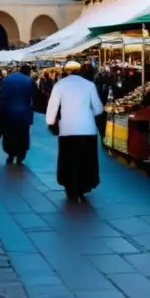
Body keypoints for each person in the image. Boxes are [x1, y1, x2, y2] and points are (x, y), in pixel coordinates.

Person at [46, 61, 105, 202]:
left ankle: (70, 185)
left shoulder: (59, 85)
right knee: (86, 159)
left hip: (67, 129)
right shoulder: (89, 85)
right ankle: (84, 186)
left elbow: (52, 106)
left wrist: (50, 121)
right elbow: (98, 109)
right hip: (87, 129)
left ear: (65, 71)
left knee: (68, 159)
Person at [0, 64, 35, 164]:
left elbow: (2, 97)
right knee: (22, 135)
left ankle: (10, 155)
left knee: (9, 135)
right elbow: (32, 98)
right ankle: (20, 157)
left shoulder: (7, 79)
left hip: (8, 112)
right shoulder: (29, 80)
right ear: (28, 72)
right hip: (23, 113)